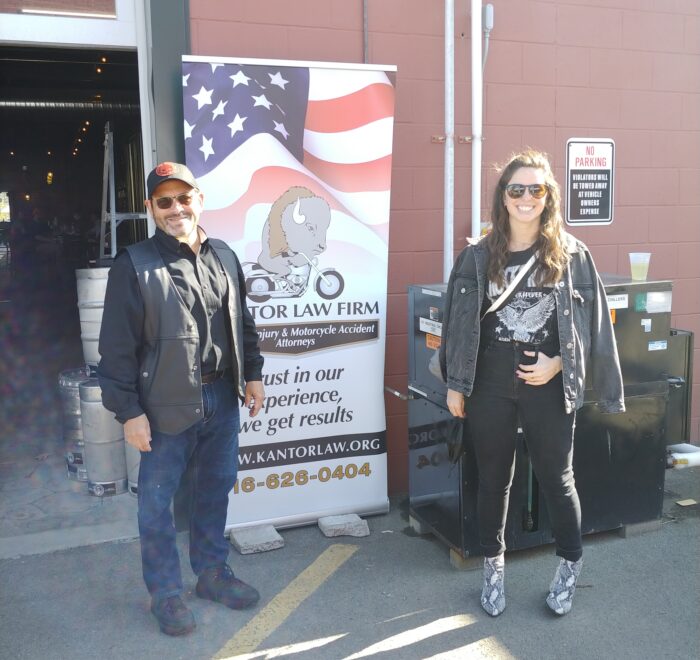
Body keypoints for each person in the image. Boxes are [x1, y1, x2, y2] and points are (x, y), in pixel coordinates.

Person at [439, 149, 624, 617]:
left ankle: (569, 567)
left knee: (557, 480)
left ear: (549, 197)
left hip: (546, 380)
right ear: (502, 196)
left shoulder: (572, 255)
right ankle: (493, 569)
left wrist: (559, 363)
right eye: (516, 189)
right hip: (489, 381)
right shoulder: (476, 257)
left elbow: (593, 325)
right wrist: (456, 384)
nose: (526, 198)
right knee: (493, 481)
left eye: (536, 190)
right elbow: (456, 323)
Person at [98, 162, 265, 636]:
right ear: (150, 208)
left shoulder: (226, 256)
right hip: (163, 406)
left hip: (221, 398)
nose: (177, 209)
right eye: (164, 201)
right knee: (157, 504)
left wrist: (252, 375)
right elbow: (115, 349)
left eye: (184, 198)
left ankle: (211, 574)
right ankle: (166, 594)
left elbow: (243, 325)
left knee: (214, 491)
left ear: (200, 200)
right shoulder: (133, 265)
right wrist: (128, 412)